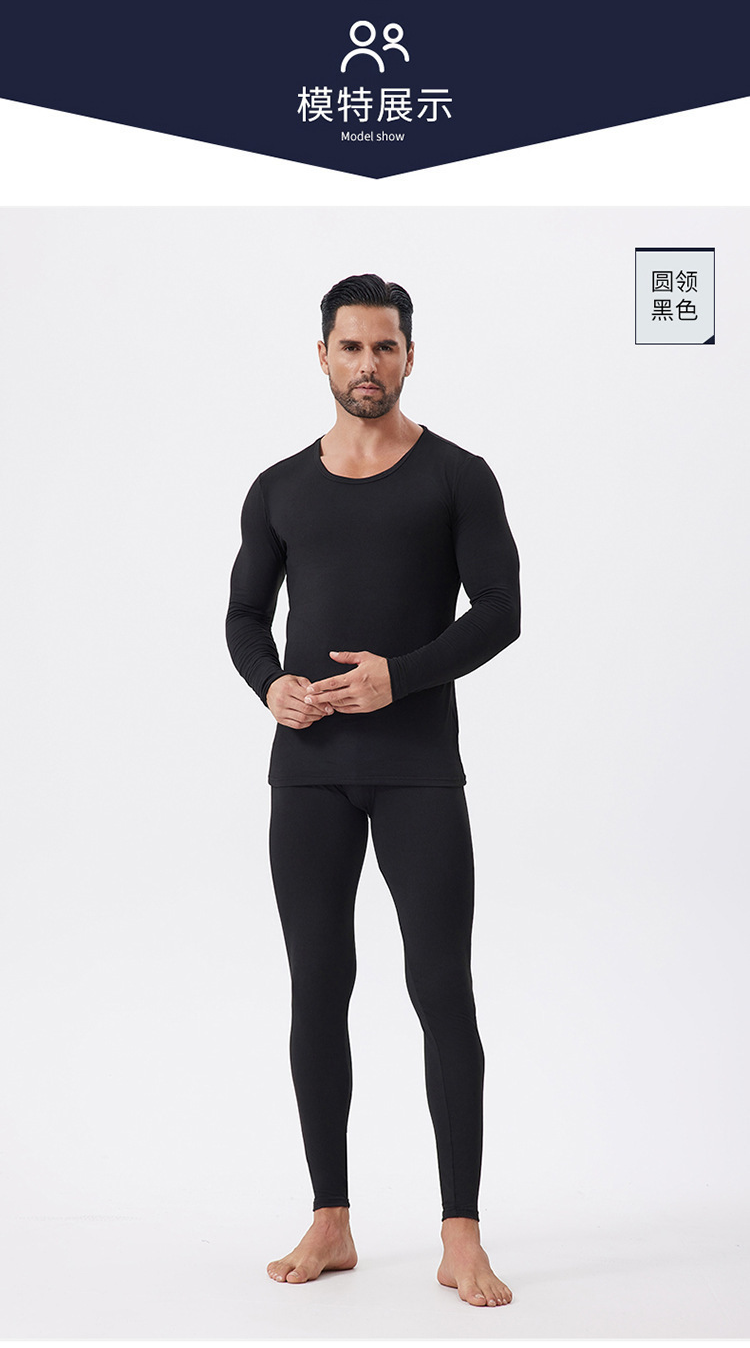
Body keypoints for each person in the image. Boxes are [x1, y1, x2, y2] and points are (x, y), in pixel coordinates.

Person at [225, 273, 521, 1308]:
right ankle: (332, 1218)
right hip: (307, 772)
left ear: (409, 355)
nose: (368, 364)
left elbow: (501, 611)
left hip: (418, 768)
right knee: (319, 985)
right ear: (323, 357)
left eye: (384, 346)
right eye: (350, 346)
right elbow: (245, 615)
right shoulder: (278, 488)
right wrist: (271, 684)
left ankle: (460, 1233)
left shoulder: (457, 477)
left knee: (441, 988)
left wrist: (403, 676)